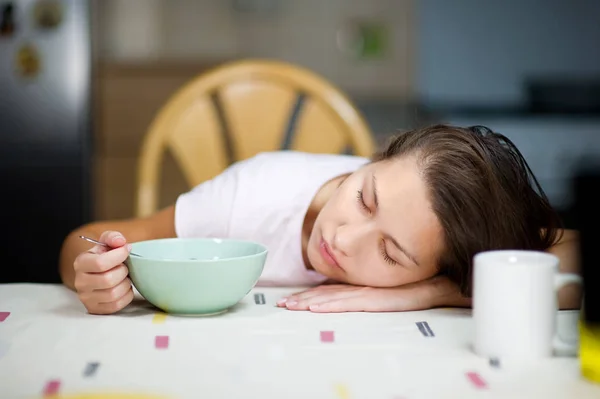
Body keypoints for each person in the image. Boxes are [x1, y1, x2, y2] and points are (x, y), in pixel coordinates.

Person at [59, 124, 581, 315]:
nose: (344, 237)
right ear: (374, 160)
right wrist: (94, 269)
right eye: (364, 197)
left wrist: (431, 293)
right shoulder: (251, 197)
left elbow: (577, 255)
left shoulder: (443, 253)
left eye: (390, 253)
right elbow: (79, 242)